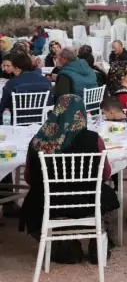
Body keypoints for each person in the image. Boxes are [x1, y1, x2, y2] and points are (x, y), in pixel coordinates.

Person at [19, 95, 120, 264]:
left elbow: (29, 178)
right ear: (81, 114)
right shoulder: (94, 139)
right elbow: (106, 175)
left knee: (32, 204)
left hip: (47, 202)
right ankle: (100, 242)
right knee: (109, 197)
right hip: (88, 200)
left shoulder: (39, 141)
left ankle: (64, 245)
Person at [0, 51, 52, 117]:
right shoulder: (46, 81)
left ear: (17, 67)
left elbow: (3, 106)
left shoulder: (12, 83)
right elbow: (50, 102)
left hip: (17, 119)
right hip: (41, 118)